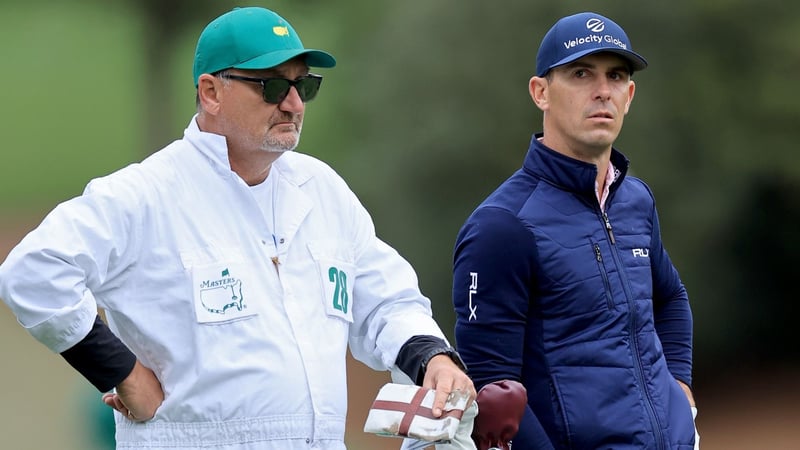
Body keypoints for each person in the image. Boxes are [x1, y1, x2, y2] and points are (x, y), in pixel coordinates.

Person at [0, 7, 475, 450]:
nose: (293, 103)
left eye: (303, 85)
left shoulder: (322, 190)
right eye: (272, 86)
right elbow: (33, 272)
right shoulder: (146, 194)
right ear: (211, 92)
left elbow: (385, 300)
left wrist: (431, 357)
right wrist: (122, 372)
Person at [451, 12, 699, 449]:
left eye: (616, 76)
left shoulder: (636, 200)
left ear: (630, 95)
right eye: (581, 73)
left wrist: (679, 391)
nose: (602, 90)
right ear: (540, 92)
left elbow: (671, 297)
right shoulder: (502, 225)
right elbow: (491, 387)